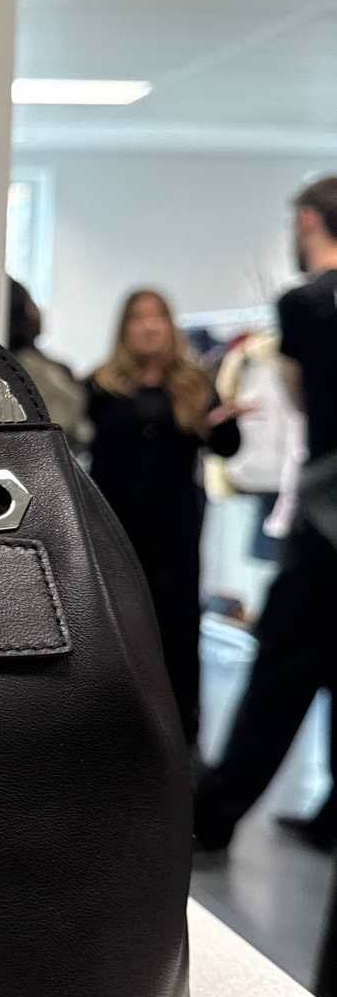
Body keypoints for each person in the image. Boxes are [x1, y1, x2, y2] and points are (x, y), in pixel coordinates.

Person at [194, 179, 337, 861]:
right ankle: (332, 814)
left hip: (330, 511)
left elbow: (300, 398)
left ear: (306, 220)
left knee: (283, 663)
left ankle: (214, 816)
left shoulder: (307, 302)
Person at [88, 289, 242, 746]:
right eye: (139, 317)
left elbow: (227, 449)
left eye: (158, 317)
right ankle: (113, 723)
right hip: (115, 523)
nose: (149, 326)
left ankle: (181, 728)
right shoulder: (100, 385)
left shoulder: (195, 385)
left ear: (170, 326)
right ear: (125, 328)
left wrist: (226, 424)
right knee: (118, 619)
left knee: (177, 620)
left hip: (175, 523)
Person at [8, 278, 92, 452]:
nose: (37, 311)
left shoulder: (49, 366)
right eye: (30, 303)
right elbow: (64, 426)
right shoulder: (28, 369)